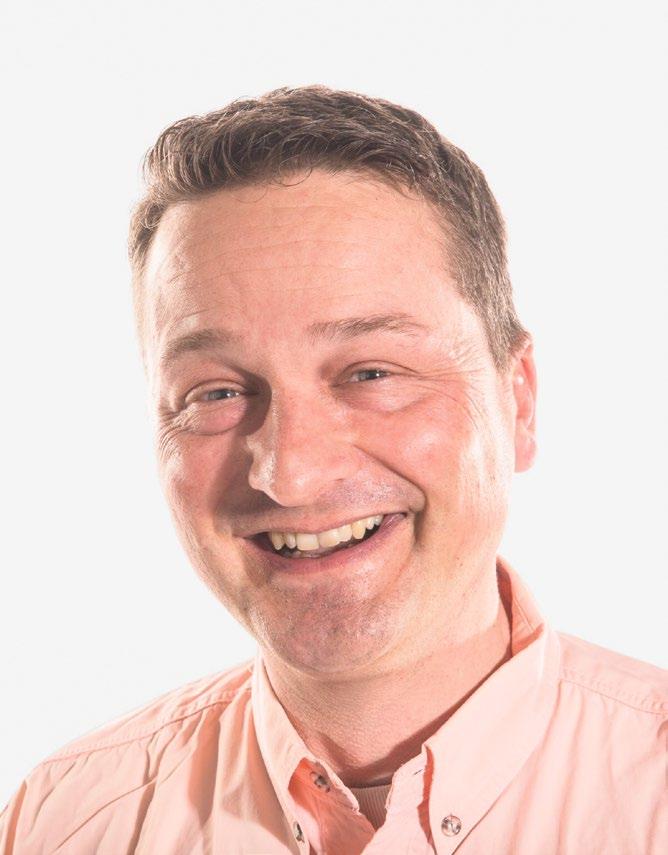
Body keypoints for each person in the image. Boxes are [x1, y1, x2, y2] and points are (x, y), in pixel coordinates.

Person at [1, 85, 665, 855]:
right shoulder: (63, 824)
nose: (291, 472)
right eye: (216, 392)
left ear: (517, 401)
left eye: (371, 372)